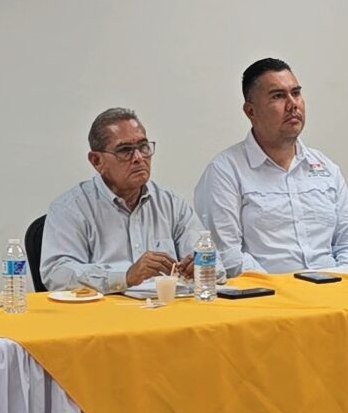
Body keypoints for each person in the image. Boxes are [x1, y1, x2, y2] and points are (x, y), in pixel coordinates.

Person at [194, 58, 348, 277]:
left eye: (296, 93)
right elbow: (227, 255)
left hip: (334, 288)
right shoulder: (225, 171)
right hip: (267, 293)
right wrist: (284, 289)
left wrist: (340, 281)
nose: (292, 104)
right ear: (251, 111)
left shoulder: (326, 168)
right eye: (278, 96)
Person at [41, 107, 223, 294]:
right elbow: (57, 274)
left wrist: (200, 267)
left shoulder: (171, 203)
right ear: (96, 161)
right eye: (125, 150)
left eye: (143, 147)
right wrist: (125, 276)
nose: (138, 158)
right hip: (106, 310)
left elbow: (216, 266)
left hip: (167, 306)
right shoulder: (71, 208)